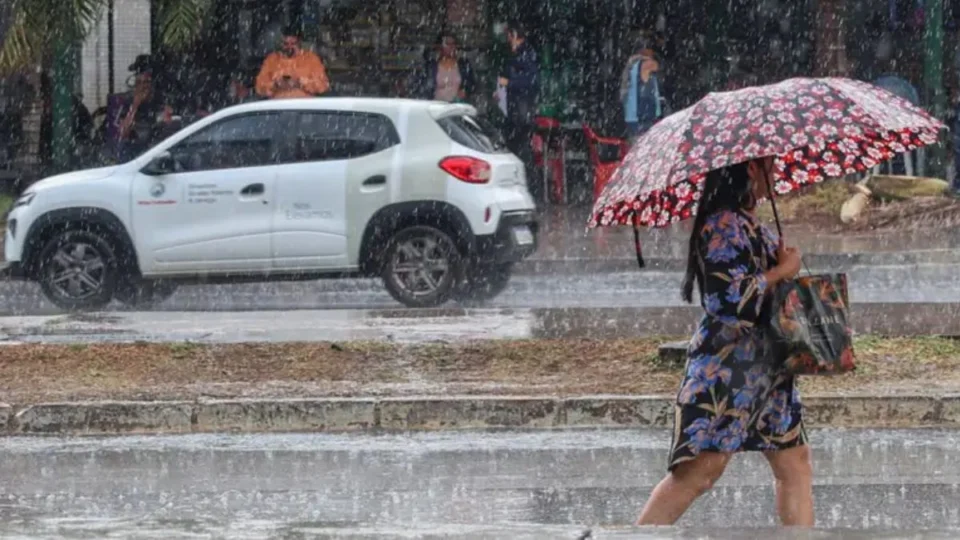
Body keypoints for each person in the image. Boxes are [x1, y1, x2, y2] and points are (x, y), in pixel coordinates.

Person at [636, 159, 812, 527]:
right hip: (728, 371)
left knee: (793, 462)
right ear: (751, 170)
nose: (776, 172)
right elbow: (728, 302)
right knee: (700, 472)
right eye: (770, 166)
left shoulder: (747, 222)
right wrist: (782, 271)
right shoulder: (722, 225)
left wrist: (782, 265)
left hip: (766, 368)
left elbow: (762, 291)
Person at [497, 21, 539, 194]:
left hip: (521, 109)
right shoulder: (515, 54)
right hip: (514, 108)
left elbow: (531, 81)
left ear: (514, 35)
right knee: (515, 145)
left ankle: (527, 187)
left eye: (509, 36)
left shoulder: (527, 54)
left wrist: (510, 83)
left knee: (521, 147)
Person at [256, 26, 330, 99]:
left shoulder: (311, 59)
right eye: (286, 44)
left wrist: (300, 82)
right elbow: (259, 88)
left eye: (293, 44)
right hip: (277, 106)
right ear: (281, 44)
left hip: (304, 106)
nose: (289, 47)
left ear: (299, 43)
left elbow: (322, 86)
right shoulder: (271, 59)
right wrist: (275, 84)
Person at [619, 41, 667, 140]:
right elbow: (659, 66)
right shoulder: (644, 63)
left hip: (635, 116)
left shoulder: (632, 65)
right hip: (642, 118)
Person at [416, 33, 476, 102]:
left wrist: (465, 91)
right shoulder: (431, 66)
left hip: (458, 105)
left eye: (453, 44)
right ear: (439, 47)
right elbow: (423, 87)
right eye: (447, 44)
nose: (451, 47)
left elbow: (472, 84)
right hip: (437, 106)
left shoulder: (463, 64)